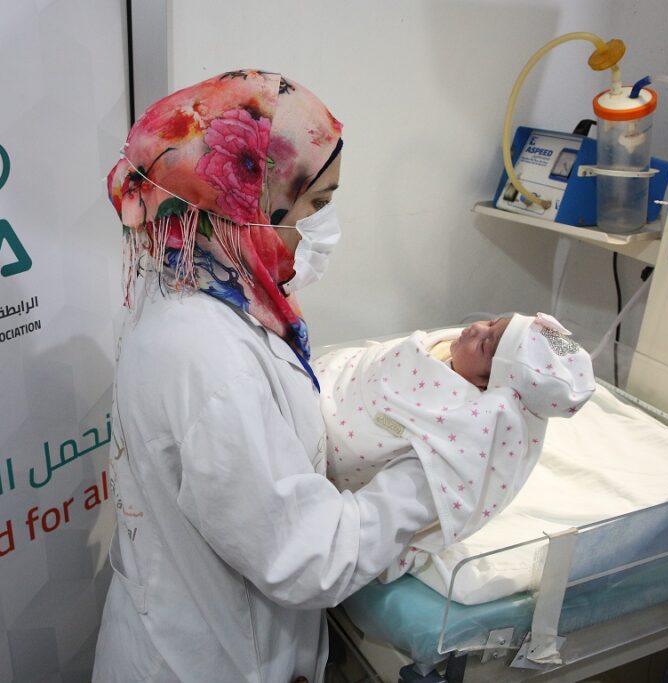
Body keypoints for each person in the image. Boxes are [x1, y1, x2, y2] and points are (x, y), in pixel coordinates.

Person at [92, 70, 439, 683]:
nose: (327, 225)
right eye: (318, 204)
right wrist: (433, 473)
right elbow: (307, 558)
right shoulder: (207, 355)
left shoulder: (189, 274)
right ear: (248, 200)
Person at [314, 313, 596, 576]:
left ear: (488, 386)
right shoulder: (444, 350)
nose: (476, 328)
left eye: (485, 344)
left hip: (328, 424)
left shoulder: (460, 419)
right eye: (491, 323)